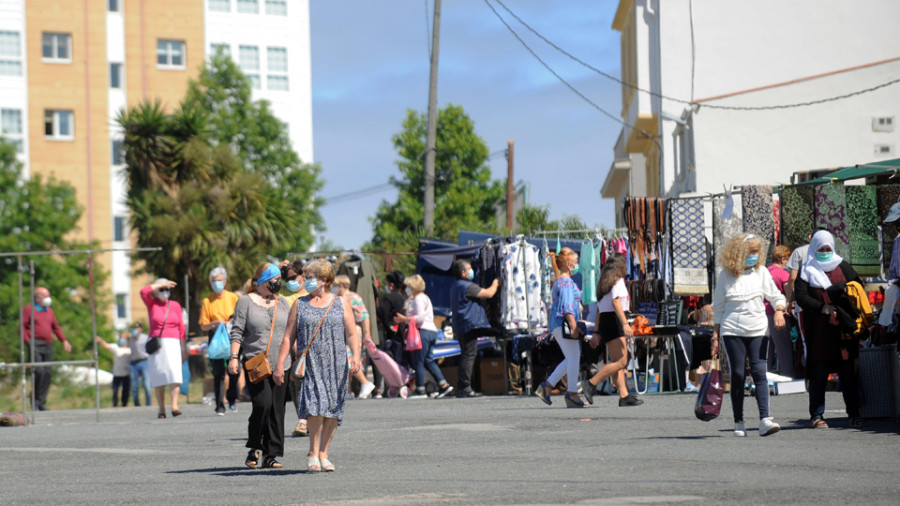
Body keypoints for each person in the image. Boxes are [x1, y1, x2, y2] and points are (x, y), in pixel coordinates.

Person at [273, 259, 362, 472]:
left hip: (336, 362)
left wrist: (356, 356)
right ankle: (313, 451)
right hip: (311, 363)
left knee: (332, 410)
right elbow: (287, 337)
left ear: (324, 280)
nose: (306, 280)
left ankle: (324, 453)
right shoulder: (300, 304)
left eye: (310, 277)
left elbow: (351, 333)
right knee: (314, 407)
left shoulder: (341, 303)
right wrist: (279, 364)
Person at [711, 234, 786, 437]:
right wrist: (715, 337)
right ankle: (738, 421)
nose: (754, 256)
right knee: (737, 374)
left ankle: (765, 419)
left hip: (758, 330)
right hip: (732, 331)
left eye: (756, 252)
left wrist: (779, 309)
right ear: (738, 253)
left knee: (760, 372)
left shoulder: (761, 272)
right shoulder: (725, 275)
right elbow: (718, 307)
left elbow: (776, 295)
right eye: (750, 252)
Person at [794, 230, 866, 429]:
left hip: (842, 330)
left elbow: (858, 289)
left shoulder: (842, 266)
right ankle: (817, 416)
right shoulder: (807, 269)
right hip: (819, 331)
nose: (825, 252)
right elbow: (801, 297)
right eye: (821, 249)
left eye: (828, 249)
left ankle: (854, 414)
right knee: (819, 374)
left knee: (848, 374)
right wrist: (823, 308)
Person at [227, 263, 291, 469]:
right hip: (256, 363)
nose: (278, 283)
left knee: (277, 410)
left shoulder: (282, 303)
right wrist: (234, 357)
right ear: (263, 281)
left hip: (282, 363)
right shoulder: (245, 301)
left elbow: (291, 332)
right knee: (263, 404)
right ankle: (254, 446)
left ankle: (271, 455)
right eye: (275, 279)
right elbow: (237, 331)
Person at [581, 254, 644, 407]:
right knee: (622, 360)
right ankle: (591, 383)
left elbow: (599, 311)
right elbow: (617, 303)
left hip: (605, 321)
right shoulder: (618, 282)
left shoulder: (604, 285)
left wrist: (596, 332)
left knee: (617, 361)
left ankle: (624, 395)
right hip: (614, 321)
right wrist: (625, 324)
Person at [535, 247, 587, 408]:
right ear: (568, 264)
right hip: (562, 322)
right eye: (575, 262)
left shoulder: (562, 281)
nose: (577, 265)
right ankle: (571, 393)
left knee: (572, 357)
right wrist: (573, 325)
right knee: (573, 357)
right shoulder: (565, 282)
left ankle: (548, 386)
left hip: (557, 323)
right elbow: (567, 306)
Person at [393, 274, 454, 399]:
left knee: (418, 361)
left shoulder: (418, 299)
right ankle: (444, 385)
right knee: (428, 360)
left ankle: (420, 390)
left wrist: (405, 319)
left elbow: (420, 317)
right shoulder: (425, 297)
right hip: (431, 331)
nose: (407, 289)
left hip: (423, 331)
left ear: (413, 287)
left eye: (409, 286)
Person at [450, 259, 499, 398]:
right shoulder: (467, 286)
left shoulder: (455, 285)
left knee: (466, 355)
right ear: (463, 272)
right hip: (468, 325)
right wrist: (496, 283)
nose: (472, 271)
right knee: (469, 356)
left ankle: (462, 387)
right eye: (469, 269)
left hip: (461, 325)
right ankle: (465, 387)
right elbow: (488, 293)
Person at [141, 278, 186, 419]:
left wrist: (184, 347)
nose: (165, 291)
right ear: (156, 290)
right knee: (158, 374)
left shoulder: (175, 305)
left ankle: (174, 405)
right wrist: (160, 285)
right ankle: (161, 408)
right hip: (157, 343)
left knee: (174, 373)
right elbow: (143, 291)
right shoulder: (151, 303)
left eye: (167, 289)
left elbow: (181, 327)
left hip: (173, 342)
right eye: (162, 289)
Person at [199, 266, 240, 416]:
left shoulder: (233, 297)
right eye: (214, 281)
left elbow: (240, 317)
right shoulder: (207, 301)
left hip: (232, 336)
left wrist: (231, 321)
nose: (217, 284)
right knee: (218, 373)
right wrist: (215, 323)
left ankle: (232, 398)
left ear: (225, 281)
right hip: (215, 338)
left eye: (219, 281)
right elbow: (203, 325)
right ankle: (219, 405)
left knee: (235, 370)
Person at [22, 286, 72, 411]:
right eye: (46, 296)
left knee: (48, 372)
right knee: (39, 371)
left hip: (47, 344)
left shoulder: (49, 311)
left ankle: (41, 402)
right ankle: (34, 402)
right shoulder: (29, 309)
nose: (48, 299)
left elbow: (56, 327)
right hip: (35, 343)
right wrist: (28, 341)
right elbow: (22, 327)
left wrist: (64, 340)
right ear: (38, 297)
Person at [334, 274, 377, 399]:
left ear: (341, 285)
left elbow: (364, 316)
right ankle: (347, 390)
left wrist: (367, 333)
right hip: (342, 331)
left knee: (349, 359)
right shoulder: (338, 298)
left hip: (352, 330)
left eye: (336, 285)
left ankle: (365, 382)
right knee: (343, 360)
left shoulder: (353, 297)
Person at [281, 259, 310, 436]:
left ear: (302, 275)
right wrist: (278, 269)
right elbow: (258, 285)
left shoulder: (311, 293)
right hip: (287, 344)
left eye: (293, 277)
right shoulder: (282, 292)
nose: (290, 282)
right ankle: (303, 420)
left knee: (307, 383)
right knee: (295, 384)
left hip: (308, 343)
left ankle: (307, 421)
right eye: (287, 279)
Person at [767, 245, 794, 377]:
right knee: (784, 348)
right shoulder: (783, 274)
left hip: (764, 313)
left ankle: (764, 378)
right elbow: (788, 293)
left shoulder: (766, 272)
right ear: (783, 259)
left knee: (766, 350)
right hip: (778, 313)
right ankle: (788, 376)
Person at [377, 270, 407, 366]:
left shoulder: (388, 298)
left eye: (386, 283)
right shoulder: (404, 298)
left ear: (391, 285)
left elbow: (383, 315)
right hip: (401, 334)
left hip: (391, 335)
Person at [96, 332, 132, 407]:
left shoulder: (130, 349)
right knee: (115, 391)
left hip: (126, 374)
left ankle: (124, 404)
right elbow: (106, 346)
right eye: (121, 338)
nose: (122, 339)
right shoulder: (116, 347)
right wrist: (100, 340)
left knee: (125, 391)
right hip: (117, 374)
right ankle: (115, 404)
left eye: (123, 338)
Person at [129, 323, 152, 407]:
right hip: (134, 363)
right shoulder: (131, 339)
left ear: (140, 329)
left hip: (144, 361)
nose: (134, 330)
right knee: (134, 385)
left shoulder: (145, 338)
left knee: (147, 383)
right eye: (133, 328)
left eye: (136, 328)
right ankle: (136, 404)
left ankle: (148, 403)